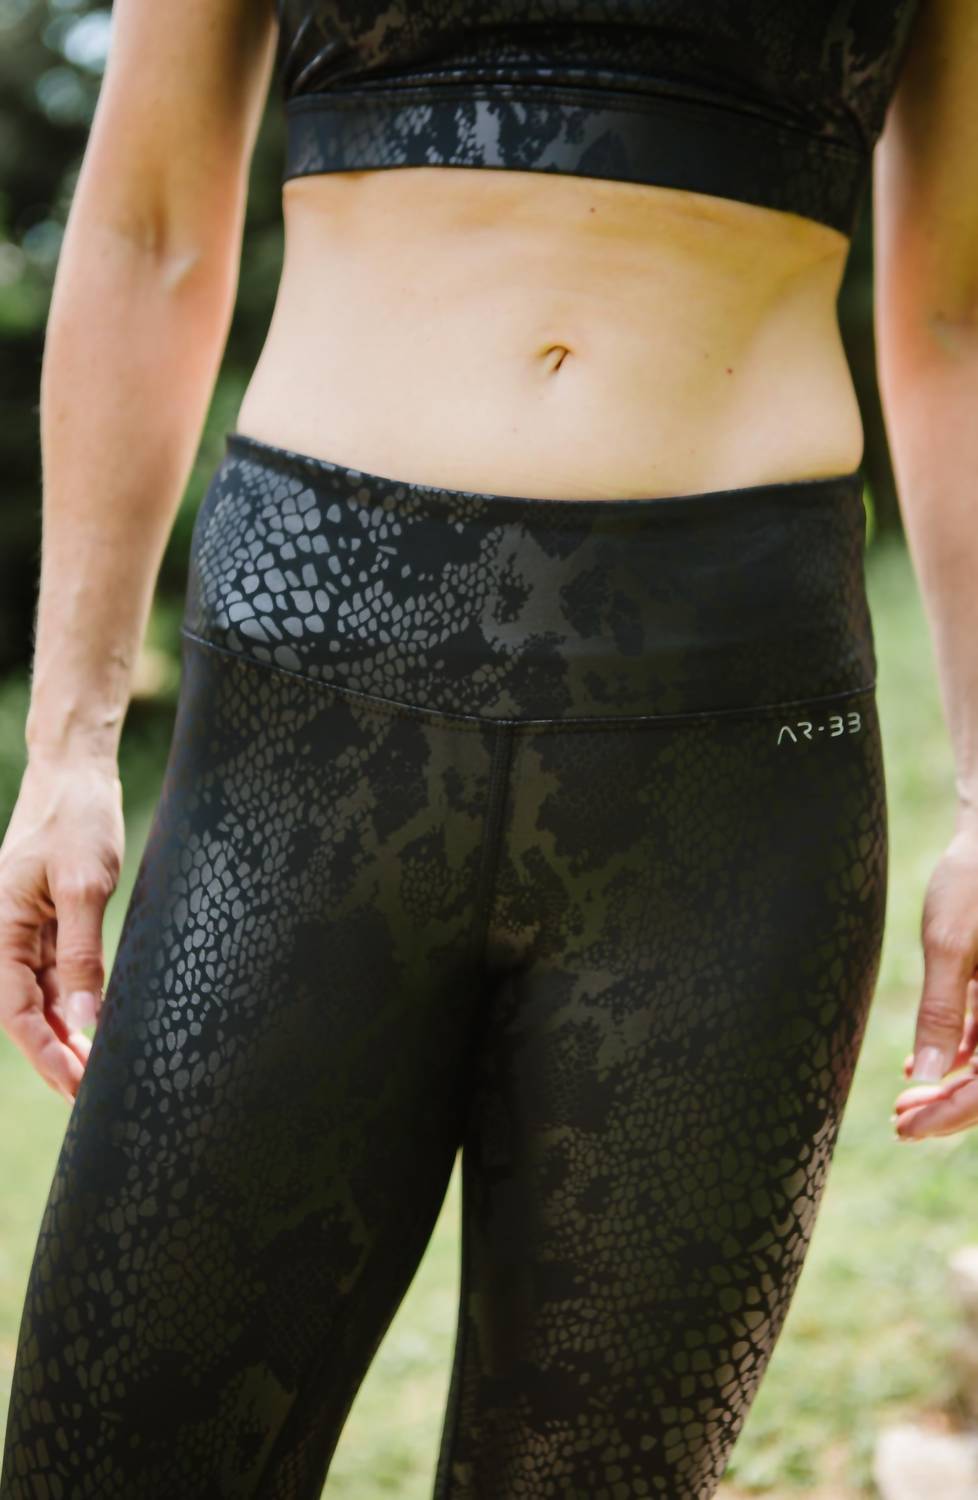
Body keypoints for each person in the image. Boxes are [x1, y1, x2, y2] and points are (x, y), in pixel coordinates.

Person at [0, 0, 972, 1495]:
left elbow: (959, 314)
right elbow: (144, 231)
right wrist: (68, 743)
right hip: (309, 701)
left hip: (744, 743)